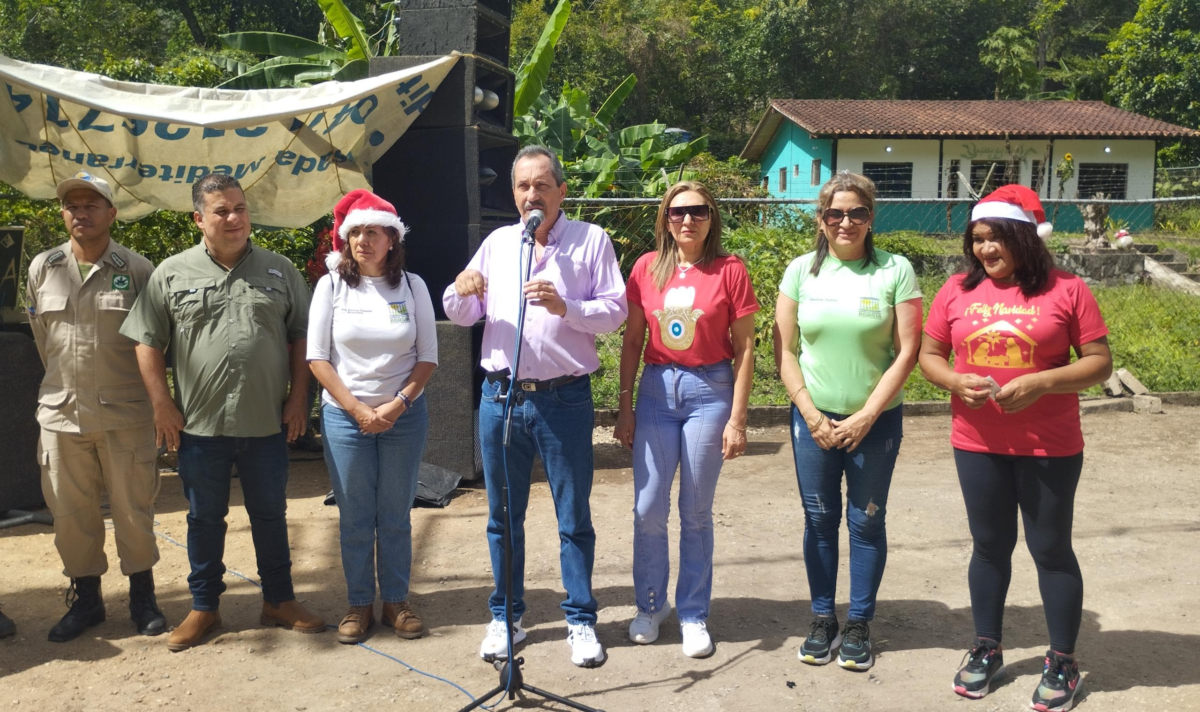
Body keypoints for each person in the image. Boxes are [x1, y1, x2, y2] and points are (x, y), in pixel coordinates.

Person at [919, 185, 1111, 711]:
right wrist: (955, 382)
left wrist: (1043, 383)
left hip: (1049, 446)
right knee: (989, 546)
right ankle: (986, 646)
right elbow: (930, 354)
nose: (985, 250)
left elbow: (1099, 362)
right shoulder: (956, 289)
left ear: (1024, 238)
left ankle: (1062, 659)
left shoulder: (1067, 289)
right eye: (978, 239)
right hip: (977, 442)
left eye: (996, 238)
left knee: (1049, 550)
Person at [121, 174, 324, 651]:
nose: (234, 218)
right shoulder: (171, 273)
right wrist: (162, 405)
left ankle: (279, 599)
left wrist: (299, 398)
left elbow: (302, 337)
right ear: (199, 219)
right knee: (204, 518)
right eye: (221, 210)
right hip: (198, 425)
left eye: (240, 208)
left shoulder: (279, 270)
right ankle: (204, 608)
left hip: (266, 423)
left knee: (271, 514)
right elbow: (147, 344)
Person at [443, 145, 627, 668]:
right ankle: (506, 616)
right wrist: (461, 289)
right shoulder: (500, 243)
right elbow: (459, 312)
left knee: (573, 516)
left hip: (564, 399)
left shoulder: (592, 241)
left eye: (541, 185)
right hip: (500, 398)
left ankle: (580, 620)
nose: (531, 195)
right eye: (523, 186)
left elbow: (615, 312)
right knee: (503, 518)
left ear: (561, 191)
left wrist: (565, 307)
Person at [775, 171, 923, 671]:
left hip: (874, 422)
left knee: (865, 522)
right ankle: (822, 618)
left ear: (870, 217)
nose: (845, 222)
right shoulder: (800, 271)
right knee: (819, 521)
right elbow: (785, 352)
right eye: (835, 213)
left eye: (856, 213)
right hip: (812, 420)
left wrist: (865, 415)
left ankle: (858, 622)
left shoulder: (895, 271)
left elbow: (907, 353)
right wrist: (812, 415)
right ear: (821, 219)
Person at [612, 181, 757, 658]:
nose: (687, 220)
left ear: (712, 218)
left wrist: (738, 418)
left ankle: (693, 613)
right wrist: (626, 405)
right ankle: (651, 606)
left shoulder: (730, 270)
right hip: (656, 390)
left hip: (708, 392)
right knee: (648, 508)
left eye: (698, 211)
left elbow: (745, 348)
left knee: (694, 512)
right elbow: (632, 341)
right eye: (677, 213)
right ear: (665, 219)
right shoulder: (646, 268)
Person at [23, 172, 166, 642]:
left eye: (91, 204)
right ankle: (87, 600)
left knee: (133, 510)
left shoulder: (139, 269)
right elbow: (44, 340)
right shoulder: (43, 267)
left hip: (125, 413)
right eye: (72, 205)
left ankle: (142, 597)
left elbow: (154, 343)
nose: (80, 212)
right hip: (61, 414)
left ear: (111, 213)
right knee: (70, 513)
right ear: (63, 213)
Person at [307, 190, 438, 644]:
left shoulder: (413, 286)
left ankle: (396, 603)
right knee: (356, 515)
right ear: (346, 240)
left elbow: (428, 357)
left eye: (374, 232)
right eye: (356, 232)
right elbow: (317, 358)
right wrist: (359, 409)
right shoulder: (331, 287)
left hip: (404, 416)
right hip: (346, 419)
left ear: (392, 239)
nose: (364, 239)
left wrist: (396, 405)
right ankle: (359, 603)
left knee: (396, 513)